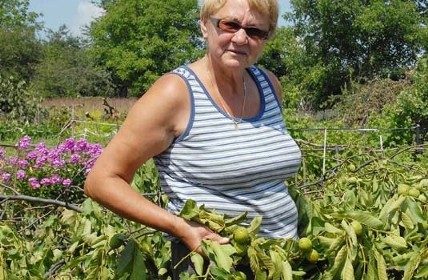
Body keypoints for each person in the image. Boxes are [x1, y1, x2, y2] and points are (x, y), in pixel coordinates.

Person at [84, 0, 301, 277]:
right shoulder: (174, 93)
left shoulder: (268, 84)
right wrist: (180, 228)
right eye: (229, 24)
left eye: (255, 31)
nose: (241, 38)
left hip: (282, 262)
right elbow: (101, 180)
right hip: (213, 265)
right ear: (204, 25)